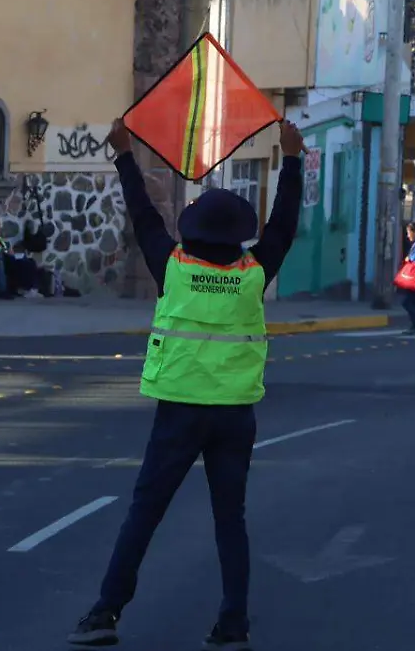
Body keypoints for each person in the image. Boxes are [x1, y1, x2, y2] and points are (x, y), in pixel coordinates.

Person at [67, 117, 305, 650]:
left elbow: (142, 212)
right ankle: (233, 624)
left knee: (144, 513)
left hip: (178, 412)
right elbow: (284, 224)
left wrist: (125, 154)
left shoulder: (170, 266)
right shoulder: (253, 274)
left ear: (193, 232)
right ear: (239, 236)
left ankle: (105, 613)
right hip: (235, 415)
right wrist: (291, 160)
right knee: (230, 520)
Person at [0, 214, 40, 296]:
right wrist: (7, 251)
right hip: (0, 259)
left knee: (30, 261)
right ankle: (25, 288)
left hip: (7, 257)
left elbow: (4, 247)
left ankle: (28, 287)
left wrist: (8, 248)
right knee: (26, 264)